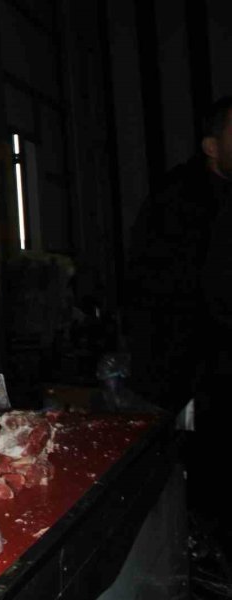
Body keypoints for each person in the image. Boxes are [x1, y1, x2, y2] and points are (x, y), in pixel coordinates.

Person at [125, 96, 232, 552]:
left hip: (215, 366)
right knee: (195, 479)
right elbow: (163, 296)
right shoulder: (177, 201)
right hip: (186, 371)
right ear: (211, 145)